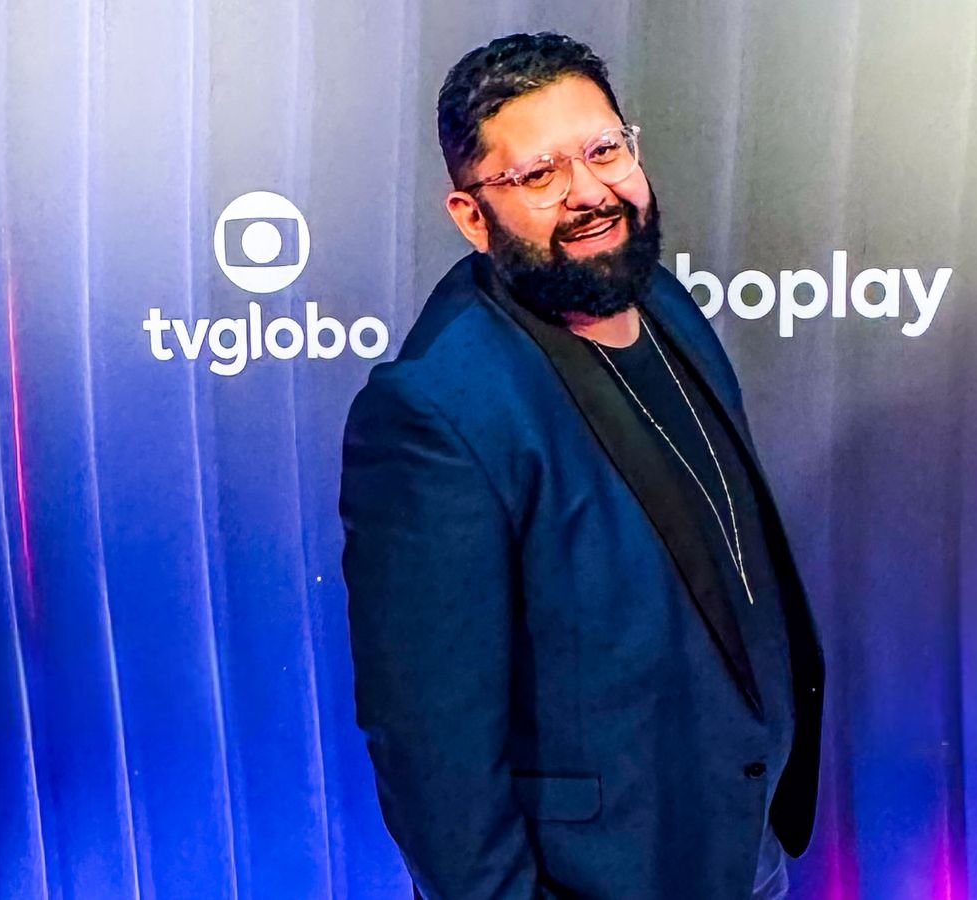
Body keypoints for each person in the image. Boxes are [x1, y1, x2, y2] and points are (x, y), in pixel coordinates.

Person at [339, 31, 824, 900]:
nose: (590, 191)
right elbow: (433, 753)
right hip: (601, 877)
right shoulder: (437, 409)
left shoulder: (657, 297)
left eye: (603, 150)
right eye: (538, 173)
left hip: (736, 844)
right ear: (471, 216)